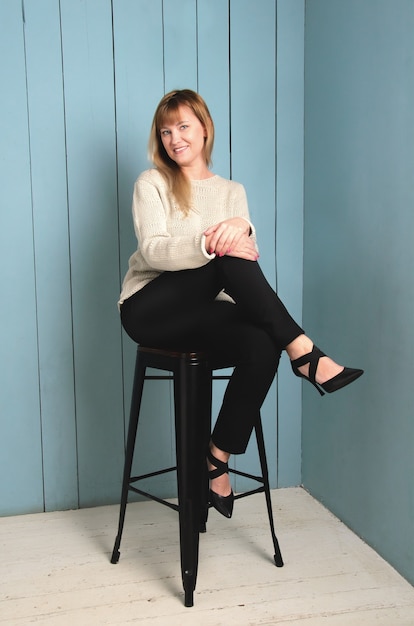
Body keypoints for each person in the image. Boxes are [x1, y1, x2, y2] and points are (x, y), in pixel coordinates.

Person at [118, 89, 363, 519]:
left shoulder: (232, 192)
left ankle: (217, 457)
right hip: (149, 308)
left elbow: (243, 271)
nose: (175, 138)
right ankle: (304, 352)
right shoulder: (151, 183)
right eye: (166, 131)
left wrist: (241, 226)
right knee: (227, 252)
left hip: (204, 311)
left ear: (204, 128)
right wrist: (212, 241)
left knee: (261, 345)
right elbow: (155, 252)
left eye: (184, 126)